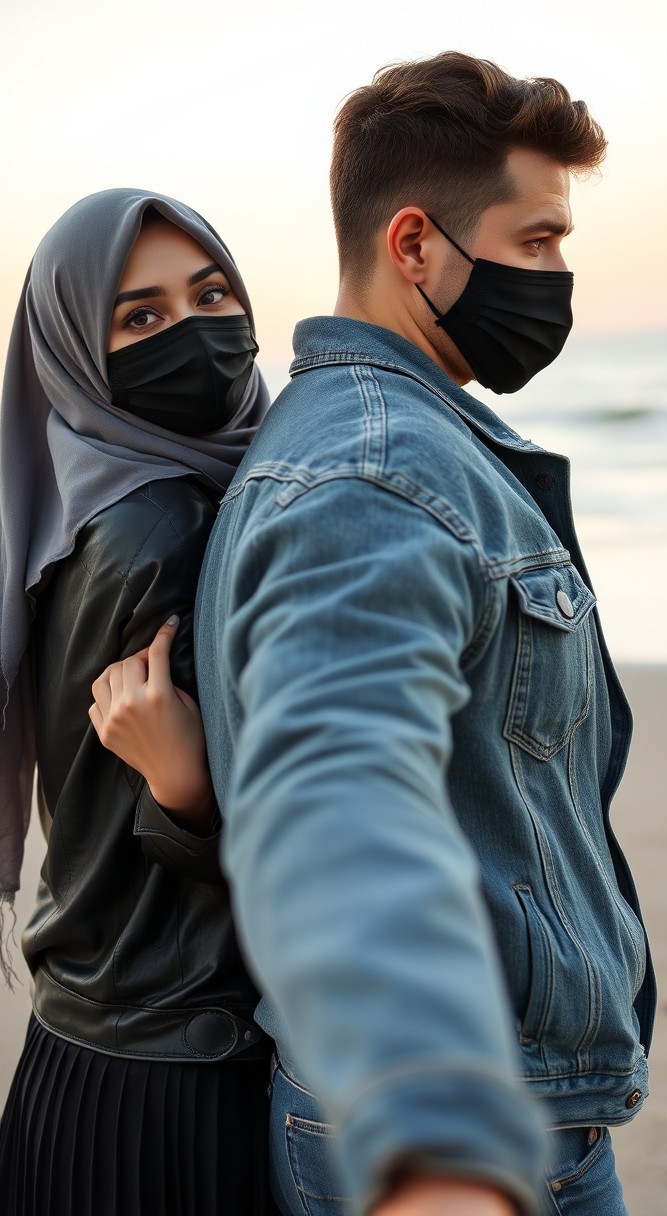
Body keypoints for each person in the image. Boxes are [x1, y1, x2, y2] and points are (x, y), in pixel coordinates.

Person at [196, 52, 657, 1216]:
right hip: (471, 1125)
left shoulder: (363, 433)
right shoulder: (378, 469)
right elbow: (338, 782)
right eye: (539, 241)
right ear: (414, 245)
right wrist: (438, 1126)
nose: (559, 277)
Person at [0, 188, 277, 1215]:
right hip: (174, 1083)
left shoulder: (80, 511)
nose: (197, 334)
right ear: (77, 351)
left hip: (83, 1051)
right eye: (141, 317)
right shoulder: (167, 531)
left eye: (211, 295)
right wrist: (190, 792)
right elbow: (263, 849)